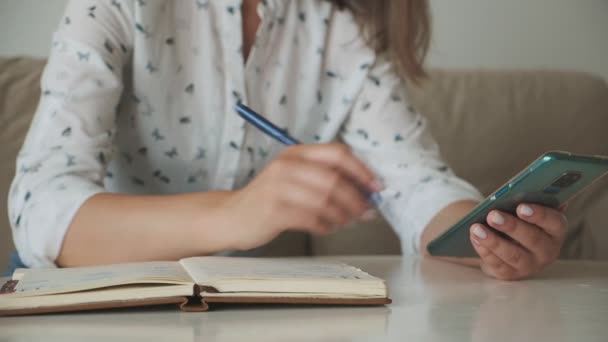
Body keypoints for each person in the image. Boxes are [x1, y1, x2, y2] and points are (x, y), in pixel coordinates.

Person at [8, 0, 567, 280]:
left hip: (224, 310)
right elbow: (41, 213)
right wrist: (236, 214)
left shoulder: (341, 26)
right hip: (95, 295)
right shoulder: (116, 6)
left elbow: (417, 185)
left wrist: (486, 237)